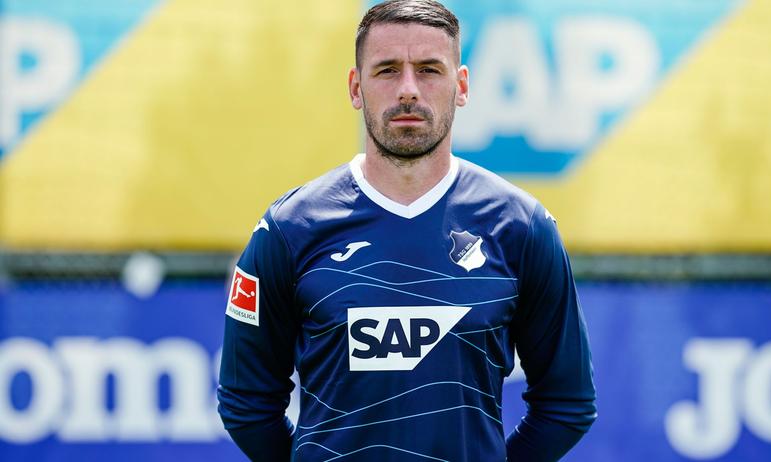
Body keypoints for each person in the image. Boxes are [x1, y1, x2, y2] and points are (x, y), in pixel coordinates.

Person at [217, 0, 596, 460]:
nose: (409, 89)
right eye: (388, 70)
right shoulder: (289, 228)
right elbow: (246, 402)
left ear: (461, 86)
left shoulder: (522, 226)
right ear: (356, 87)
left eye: (430, 70)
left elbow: (568, 403)